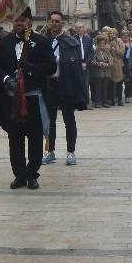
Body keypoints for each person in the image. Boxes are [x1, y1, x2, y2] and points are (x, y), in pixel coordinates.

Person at [0, 7, 56, 189]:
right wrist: (5, 79)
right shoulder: (4, 42)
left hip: (33, 98)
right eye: (16, 20)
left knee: (35, 138)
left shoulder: (41, 42)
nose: (19, 23)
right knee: (15, 138)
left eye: (23, 20)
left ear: (30, 22)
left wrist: (31, 68)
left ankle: (32, 174)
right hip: (12, 100)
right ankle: (19, 174)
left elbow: (51, 67)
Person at [43, 10, 88, 166]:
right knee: (49, 121)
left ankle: (71, 152)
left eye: (57, 21)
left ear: (62, 23)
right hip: (49, 86)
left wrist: (59, 60)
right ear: (48, 22)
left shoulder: (71, 42)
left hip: (66, 85)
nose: (54, 23)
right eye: (52, 20)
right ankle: (50, 151)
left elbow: (76, 67)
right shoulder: (44, 41)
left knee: (69, 120)